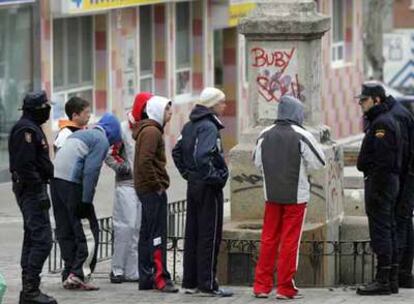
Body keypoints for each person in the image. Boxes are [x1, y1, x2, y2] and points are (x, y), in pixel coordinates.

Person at [251, 95, 325, 300]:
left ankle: (261, 286)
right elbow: (320, 162)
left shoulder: (264, 133)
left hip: (271, 194)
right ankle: (285, 287)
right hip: (296, 196)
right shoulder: (302, 135)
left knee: (268, 239)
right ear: (297, 113)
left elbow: (256, 161)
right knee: (290, 241)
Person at [50, 113, 121, 290]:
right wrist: (86, 201)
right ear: (112, 133)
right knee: (88, 230)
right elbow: (91, 172)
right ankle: (79, 274)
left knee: (65, 227)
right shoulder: (101, 140)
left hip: (55, 181)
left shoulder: (80, 134)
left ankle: (69, 272)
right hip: (72, 184)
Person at [172, 87, 232, 297]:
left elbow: (177, 152)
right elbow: (203, 155)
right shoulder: (209, 127)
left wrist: (188, 174)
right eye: (222, 102)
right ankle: (207, 284)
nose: (225, 106)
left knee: (193, 234)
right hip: (208, 187)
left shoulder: (190, 125)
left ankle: (190, 281)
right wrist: (215, 177)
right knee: (209, 235)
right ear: (213, 105)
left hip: (194, 185)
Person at [8, 90, 57, 304]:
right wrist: (38, 190)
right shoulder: (25, 130)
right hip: (30, 191)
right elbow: (25, 166)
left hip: (33, 189)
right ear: (36, 110)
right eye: (45, 107)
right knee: (42, 240)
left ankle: (29, 290)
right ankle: (30, 290)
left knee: (32, 237)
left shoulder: (32, 127)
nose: (48, 111)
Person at [355, 83, 402, 295]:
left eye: (364, 100)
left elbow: (384, 160)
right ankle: (389, 279)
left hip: (381, 184)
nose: (361, 104)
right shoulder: (381, 121)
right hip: (384, 183)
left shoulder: (382, 124)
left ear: (376, 100)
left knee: (381, 231)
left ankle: (383, 280)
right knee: (387, 228)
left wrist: (375, 187)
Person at [105, 92, 152, 284]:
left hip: (142, 185)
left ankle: (132, 270)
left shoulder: (149, 129)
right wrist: (124, 168)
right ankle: (117, 268)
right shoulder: (124, 129)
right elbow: (111, 153)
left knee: (138, 229)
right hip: (126, 184)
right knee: (126, 226)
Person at [133, 95, 178, 293]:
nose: (170, 113)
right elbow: (145, 162)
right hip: (151, 190)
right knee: (157, 235)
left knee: (147, 233)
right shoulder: (152, 131)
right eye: (167, 110)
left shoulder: (149, 129)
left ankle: (146, 276)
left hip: (147, 189)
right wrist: (157, 185)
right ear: (158, 111)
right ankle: (160, 278)